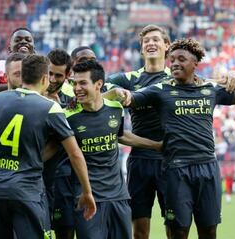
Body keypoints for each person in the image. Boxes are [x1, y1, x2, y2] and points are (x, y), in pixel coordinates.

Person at [0, 54, 96, 239]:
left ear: (22, 76)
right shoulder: (50, 108)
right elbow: (75, 154)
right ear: (45, 78)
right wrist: (87, 192)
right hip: (27, 192)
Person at [116, 38, 235, 239]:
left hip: (207, 167)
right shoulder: (160, 90)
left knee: (209, 232)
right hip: (176, 170)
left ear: (195, 64)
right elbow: (130, 98)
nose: (174, 63)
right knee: (178, 232)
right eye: (171, 59)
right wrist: (120, 94)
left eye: (181, 59)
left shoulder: (210, 89)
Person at [67, 60, 161, 239]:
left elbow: (119, 135)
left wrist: (156, 145)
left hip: (118, 196)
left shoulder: (116, 109)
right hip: (88, 198)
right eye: (75, 83)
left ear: (98, 84)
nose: (77, 88)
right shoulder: (68, 117)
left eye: (82, 83)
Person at [105, 24, 171, 239]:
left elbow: (209, 85)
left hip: (170, 161)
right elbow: (95, 86)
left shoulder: (177, 79)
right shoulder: (127, 79)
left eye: (156, 39)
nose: (151, 43)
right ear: (142, 49)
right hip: (140, 161)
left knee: (176, 227)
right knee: (140, 231)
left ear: (166, 46)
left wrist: (230, 75)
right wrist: (114, 92)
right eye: (146, 41)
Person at [43, 48, 75, 239]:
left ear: (67, 75)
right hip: (34, 176)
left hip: (61, 178)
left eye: (58, 75)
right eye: (50, 73)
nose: (53, 79)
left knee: (65, 232)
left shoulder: (71, 102)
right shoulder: (30, 95)